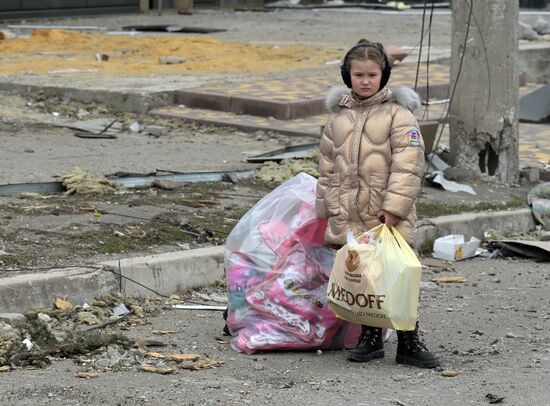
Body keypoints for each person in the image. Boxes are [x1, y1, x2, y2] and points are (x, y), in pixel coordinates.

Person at [316, 39, 440, 368]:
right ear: (348, 76)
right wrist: (328, 209)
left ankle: (409, 341)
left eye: (373, 74)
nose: (366, 80)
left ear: (383, 76)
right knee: (366, 278)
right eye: (359, 74)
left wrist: (395, 207)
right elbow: (327, 167)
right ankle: (371, 339)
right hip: (350, 212)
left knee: (398, 276)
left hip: (386, 214)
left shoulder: (399, 116)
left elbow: (409, 164)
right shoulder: (338, 119)